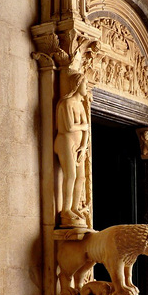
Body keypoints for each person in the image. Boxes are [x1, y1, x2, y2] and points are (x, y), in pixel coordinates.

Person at [54, 71, 89, 227]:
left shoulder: (80, 105)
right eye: (85, 84)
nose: (87, 87)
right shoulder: (66, 103)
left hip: (78, 145)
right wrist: (84, 126)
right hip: (65, 142)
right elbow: (69, 127)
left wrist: (83, 146)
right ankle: (66, 210)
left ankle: (74, 207)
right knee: (71, 175)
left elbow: (86, 130)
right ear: (77, 85)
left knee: (81, 177)